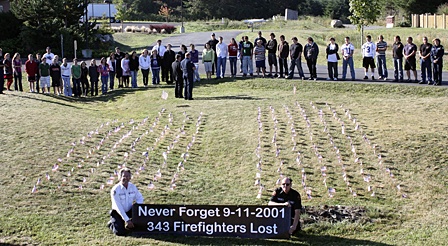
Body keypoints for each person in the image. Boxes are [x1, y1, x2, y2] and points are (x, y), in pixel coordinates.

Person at [108, 168, 144, 236]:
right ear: (120, 177)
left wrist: (136, 206)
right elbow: (118, 207)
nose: (126, 178)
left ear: (130, 177)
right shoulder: (115, 190)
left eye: (128, 176)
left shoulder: (133, 187)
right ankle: (111, 224)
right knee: (120, 232)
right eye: (124, 176)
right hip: (118, 212)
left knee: (137, 228)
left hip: (129, 210)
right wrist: (127, 220)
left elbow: (140, 198)